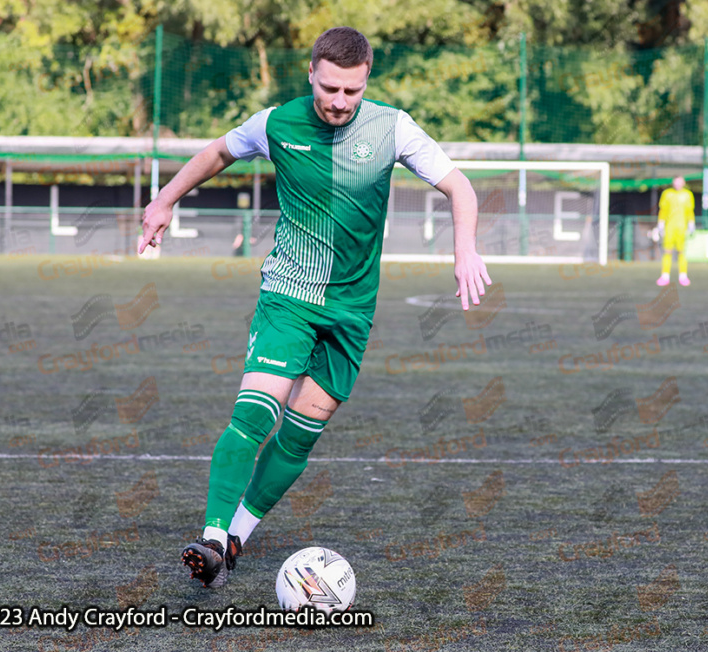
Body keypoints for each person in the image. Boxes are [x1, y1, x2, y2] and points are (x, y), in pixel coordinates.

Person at [138, 26, 492, 588]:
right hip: (290, 295)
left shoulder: (392, 127)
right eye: (329, 88)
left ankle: (236, 538)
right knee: (255, 412)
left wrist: (465, 249)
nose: (338, 102)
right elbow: (216, 152)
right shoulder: (277, 122)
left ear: (366, 80)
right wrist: (163, 200)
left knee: (302, 432)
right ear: (311, 74)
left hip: (352, 309)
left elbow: (460, 187)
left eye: (351, 91)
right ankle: (209, 537)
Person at [654, 175, 695, 286]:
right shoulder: (667, 194)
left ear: (683, 183)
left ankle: (683, 276)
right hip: (669, 228)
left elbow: (689, 211)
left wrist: (691, 224)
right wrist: (660, 225)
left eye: (679, 182)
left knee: (681, 252)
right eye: (675, 182)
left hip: (681, 228)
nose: (677, 184)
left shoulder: (688, 195)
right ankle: (665, 276)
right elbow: (663, 210)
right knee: (667, 252)